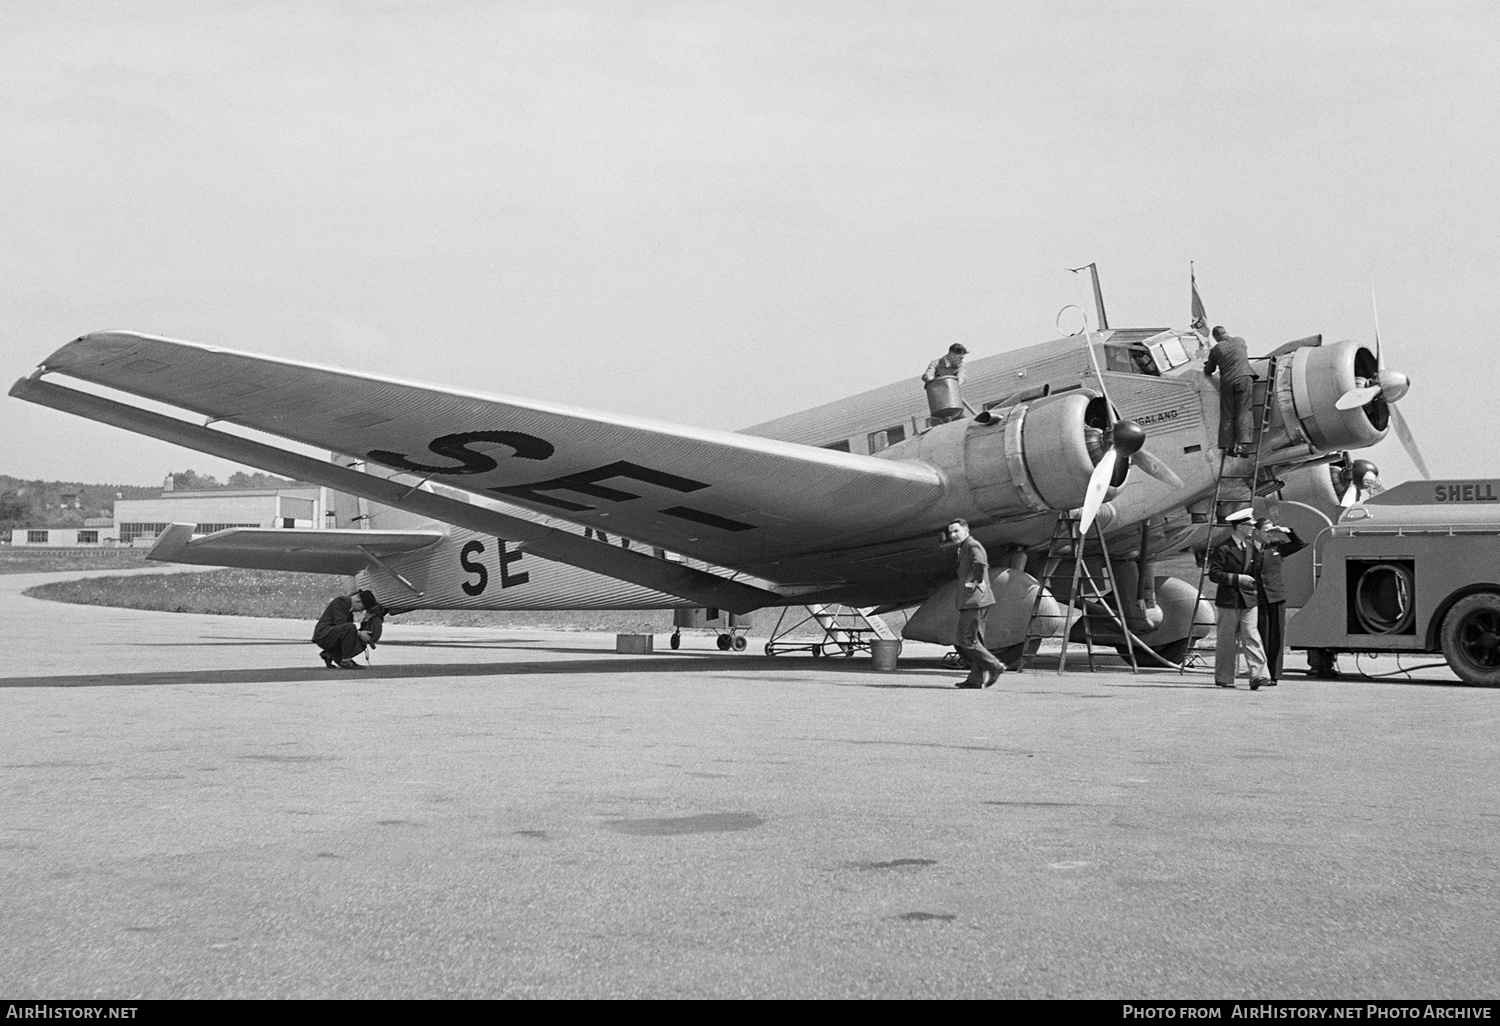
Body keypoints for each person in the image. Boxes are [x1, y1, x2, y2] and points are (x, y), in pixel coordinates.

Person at [1206, 507, 1272, 690]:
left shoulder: (1251, 547)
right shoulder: (1224, 548)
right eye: (1248, 525)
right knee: (1227, 640)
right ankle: (1225, 677)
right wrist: (1237, 579)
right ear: (1238, 527)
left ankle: (1259, 675)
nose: (1252, 527)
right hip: (1229, 599)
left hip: (1249, 599)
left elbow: (1257, 571)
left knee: (1252, 636)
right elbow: (1214, 574)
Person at [945, 518, 1005, 689]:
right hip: (975, 600)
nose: (953, 535)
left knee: (965, 638)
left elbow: (979, 563)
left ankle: (995, 666)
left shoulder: (972, 546)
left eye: (956, 531)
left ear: (966, 530)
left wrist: (975, 580)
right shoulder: (964, 547)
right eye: (951, 532)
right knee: (975, 639)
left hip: (975, 600)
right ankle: (976, 678)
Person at [1254, 517, 1306, 685]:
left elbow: (1299, 544)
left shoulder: (1277, 547)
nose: (1270, 534)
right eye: (1266, 531)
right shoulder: (1249, 548)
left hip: (1276, 595)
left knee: (1276, 636)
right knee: (1261, 635)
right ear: (1257, 532)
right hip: (1258, 596)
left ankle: (1275, 674)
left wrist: (1286, 530)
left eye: (1272, 531)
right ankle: (1262, 672)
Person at [1204, 326, 1255, 457]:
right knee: (1244, 411)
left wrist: (1207, 365)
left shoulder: (1216, 349)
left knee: (1227, 414)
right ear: (1226, 332)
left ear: (1215, 338)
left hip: (1227, 382)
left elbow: (1209, 370)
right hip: (1244, 378)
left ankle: (1228, 447)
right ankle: (1242, 446)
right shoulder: (1240, 341)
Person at [313, 589, 377, 669]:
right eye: (362, 608)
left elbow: (349, 635)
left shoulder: (348, 608)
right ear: (358, 601)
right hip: (323, 635)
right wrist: (360, 634)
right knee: (351, 627)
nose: (360, 611)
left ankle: (329, 654)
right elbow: (341, 625)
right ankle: (346, 660)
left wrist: (366, 620)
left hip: (332, 635)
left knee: (358, 637)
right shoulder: (340, 602)